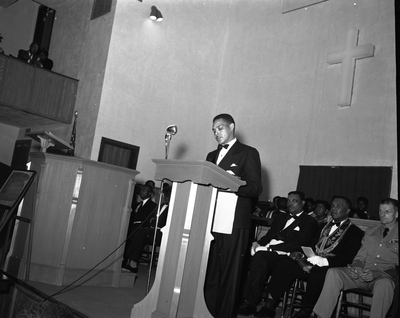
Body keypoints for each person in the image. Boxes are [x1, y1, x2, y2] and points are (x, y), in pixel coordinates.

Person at [255, 196, 364, 318]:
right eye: (332, 205)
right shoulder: (323, 226)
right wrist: (301, 255)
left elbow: (347, 257)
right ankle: (270, 304)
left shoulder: (355, 232)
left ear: (348, 211)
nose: (334, 209)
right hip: (311, 262)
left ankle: (305, 311)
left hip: (330, 267)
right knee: (285, 264)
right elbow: (311, 245)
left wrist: (324, 261)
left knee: (317, 273)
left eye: (338, 206)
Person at [204, 113, 263, 318]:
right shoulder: (211, 156)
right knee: (210, 269)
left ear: (232, 126)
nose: (216, 133)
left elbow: (256, 188)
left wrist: (235, 184)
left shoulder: (248, 153)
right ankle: (208, 311)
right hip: (212, 218)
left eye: (220, 128)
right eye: (213, 130)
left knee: (230, 272)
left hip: (234, 220)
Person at [237, 191, 319, 318]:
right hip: (272, 254)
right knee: (258, 257)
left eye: (294, 201)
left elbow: (298, 243)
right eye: (288, 200)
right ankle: (250, 302)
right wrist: (258, 243)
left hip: (291, 255)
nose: (290, 203)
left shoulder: (309, 222)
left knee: (281, 264)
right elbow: (269, 235)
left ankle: (269, 305)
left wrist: (270, 248)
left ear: (303, 203)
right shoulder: (281, 217)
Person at [313, 198, 398, 318]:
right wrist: (357, 267)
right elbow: (360, 256)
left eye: (387, 211)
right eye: (380, 211)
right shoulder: (371, 231)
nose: (382, 214)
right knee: (334, 273)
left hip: (383, 278)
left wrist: (378, 274)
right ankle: (321, 315)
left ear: (397, 213)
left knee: (385, 285)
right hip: (361, 275)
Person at [122, 185, 171, 274]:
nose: (165, 197)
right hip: (151, 230)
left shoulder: (172, 208)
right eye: (165, 195)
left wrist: (153, 223)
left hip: (161, 233)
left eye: (167, 195)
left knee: (140, 232)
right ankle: (126, 261)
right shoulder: (162, 205)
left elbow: (162, 223)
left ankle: (132, 264)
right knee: (138, 231)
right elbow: (154, 219)